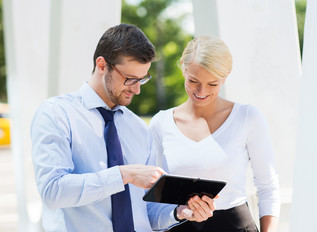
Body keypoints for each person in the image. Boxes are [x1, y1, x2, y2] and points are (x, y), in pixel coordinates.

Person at [31, 24, 216, 232]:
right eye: (130, 79)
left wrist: (179, 212)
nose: (137, 89)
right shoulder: (56, 114)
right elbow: (52, 192)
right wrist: (123, 175)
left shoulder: (138, 128)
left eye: (142, 79)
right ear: (102, 65)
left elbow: (145, 213)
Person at [149, 36, 280, 232]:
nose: (202, 91)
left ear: (226, 76)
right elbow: (152, 197)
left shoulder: (247, 118)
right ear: (183, 68)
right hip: (179, 226)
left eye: (213, 84)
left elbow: (268, 187)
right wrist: (180, 212)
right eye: (194, 81)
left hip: (235, 226)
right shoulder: (161, 123)